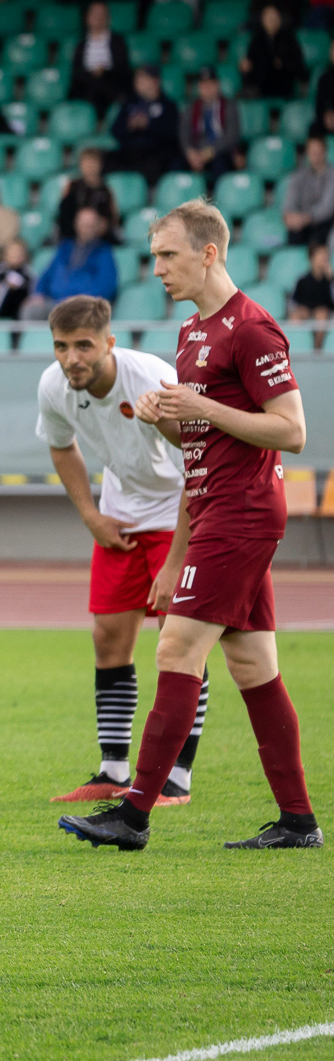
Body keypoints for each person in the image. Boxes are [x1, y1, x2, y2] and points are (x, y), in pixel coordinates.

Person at [61, 200, 318, 853]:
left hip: (241, 511)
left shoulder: (253, 329)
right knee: (254, 665)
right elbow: (199, 431)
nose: (157, 268)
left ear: (208, 253)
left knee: (176, 650)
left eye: (167, 255)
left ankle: (136, 812)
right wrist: (163, 418)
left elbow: (291, 430)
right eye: (153, 256)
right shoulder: (191, 332)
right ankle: (298, 820)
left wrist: (197, 404)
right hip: (214, 503)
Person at [39, 296, 206, 806]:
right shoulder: (54, 385)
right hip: (120, 519)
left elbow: (199, 459)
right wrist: (92, 514)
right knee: (109, 638)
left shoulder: (152, 377)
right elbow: (61, 444)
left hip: (178, 515)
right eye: (62, 347)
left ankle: (177, 776)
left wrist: (177, 558)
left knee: (177, 643)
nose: (72, 358)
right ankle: (114, 771)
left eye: (84, 345)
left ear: (109, 343)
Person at [25, 206, 117, 318]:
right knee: (31, 309)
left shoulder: (103, 252)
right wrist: (38, 293)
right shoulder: (65, 248)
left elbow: (106, 286)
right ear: (76, 224)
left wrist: (78, 300)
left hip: (83, 307)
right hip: (56, 303)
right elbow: (47, 275)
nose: (87, 227)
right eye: (84, 223)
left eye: (90, 224)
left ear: (97, 226)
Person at [108, 67, 182, 186]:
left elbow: (172, 132)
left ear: (155, 81)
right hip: (130, 151)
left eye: (142, 79)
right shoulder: (129, 103)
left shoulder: (168, 105)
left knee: (156, 165)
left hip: (154, 152)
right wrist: (129, 125)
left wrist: (149, 124)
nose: (137, 84)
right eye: (137, 80)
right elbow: (114, 130)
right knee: (109, 160)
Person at [69, 2, 133, 120]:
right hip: (87, 86)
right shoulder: (80, 45)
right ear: (87, 18)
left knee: (102, 86)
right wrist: (92, 74)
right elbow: (76, 72)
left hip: (111, 82)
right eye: (94, 14)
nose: (98, 17)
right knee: (91, 86)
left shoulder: (118, 42)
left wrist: (105, 70)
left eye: (101, 14)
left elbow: (123, 68)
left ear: (107, 18)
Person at [181, 69, 240, 181]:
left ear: (217, 85)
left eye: (210, 84)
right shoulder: (191, 108)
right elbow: (184, 133)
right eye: (203, 85)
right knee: (178, 165)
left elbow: (232, 136)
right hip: (197, 151)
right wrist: (190, 152)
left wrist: (210, 152)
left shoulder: (229, 106)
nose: (206, 88)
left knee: (221, 165)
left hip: (219, 151)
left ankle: (220, 197)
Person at [242, 5, 308, 100]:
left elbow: (298, 65)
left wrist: (282, 63)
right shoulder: (256, 41)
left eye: (275, 17)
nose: (272, 20)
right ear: (262, 20)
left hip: (284, 86)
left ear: (280, 19)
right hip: (260, 88)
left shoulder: (289, 39)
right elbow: (250, 64)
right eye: (268, 17)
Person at [281, 134, 334, 247]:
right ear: (307, 153)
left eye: (319, 151)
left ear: (325, 151)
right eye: (313, 152)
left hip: (323, 222)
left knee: (319, 236)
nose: (316, 155)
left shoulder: (332, 175)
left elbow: (327, 207)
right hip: (302, 222)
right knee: (293, 234)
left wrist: (305, 218)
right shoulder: (298, 176)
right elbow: (289, 203)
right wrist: (290, 217)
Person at [58, 147, 120, 241]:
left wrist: (100, 226)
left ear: (100, 165)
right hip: (74, 238)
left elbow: (112, 219)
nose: (90, 166)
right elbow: (64, 216)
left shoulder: (106, 190)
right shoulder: (72, 187)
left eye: (93, 162)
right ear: (80, 165)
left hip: (99, 238)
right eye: (86, 162)